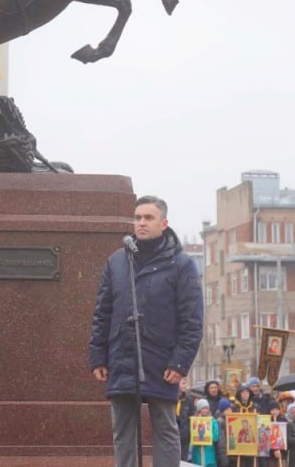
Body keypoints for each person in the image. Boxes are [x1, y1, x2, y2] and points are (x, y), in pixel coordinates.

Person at [89, 195, 204, 467]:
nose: (141, 223)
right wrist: (98, 355)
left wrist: (180, 361)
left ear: (163, 223)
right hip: (121, 356)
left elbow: (192, 320)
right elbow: (102, 312)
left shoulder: (181, 264)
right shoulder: (117, 261)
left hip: (162, 362)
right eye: (138, 217)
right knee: (122, 432)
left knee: (165, 428)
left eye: (148, 218)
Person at [189, 399, 220, 467]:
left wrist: (207, 435)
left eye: (206, 408)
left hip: (209, 454)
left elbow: (215, 437)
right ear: (199, 410)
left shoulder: (213, 421)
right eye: (203, 408)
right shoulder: (194, 421)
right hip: (197, 453)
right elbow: (192, 435)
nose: (205, 410)